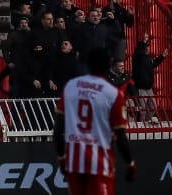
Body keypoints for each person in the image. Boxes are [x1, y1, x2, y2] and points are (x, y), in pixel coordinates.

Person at [53, 46, 137, 195]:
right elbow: (120, 135)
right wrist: (130, 162)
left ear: (88, 63)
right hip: (99, 163)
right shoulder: (113, 94)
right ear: (109, 64)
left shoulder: (70, 86)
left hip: (74, 161)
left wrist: (61, 158)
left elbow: (58, 130)